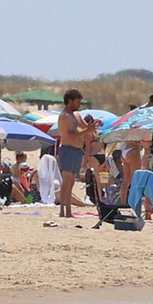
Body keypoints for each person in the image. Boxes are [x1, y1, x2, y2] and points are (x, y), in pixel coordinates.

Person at [55, 89, 95, 218]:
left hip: (78, 150)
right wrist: (86, 131)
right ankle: (63, 210)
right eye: (77, 101)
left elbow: (85, 128)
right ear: (70, 101)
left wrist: (94, 126)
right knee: (66, 181)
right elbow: (70, 136)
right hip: (68, 149)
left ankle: (69, 210)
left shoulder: (77, 115)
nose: (79, 104)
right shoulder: (64, 116)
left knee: (72, 181)